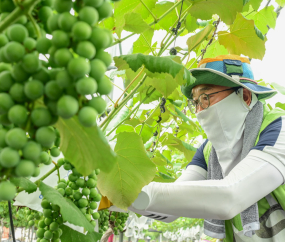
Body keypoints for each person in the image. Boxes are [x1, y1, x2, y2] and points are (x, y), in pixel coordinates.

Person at [129, 55, 285, 242]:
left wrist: (146, 192)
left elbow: (230, 197)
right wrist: (121, 195)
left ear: (244, 96)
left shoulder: (277, 129)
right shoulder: (209, 151)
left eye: (205, 97)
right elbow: (171, 210)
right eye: (195, 102)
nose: (199, 110)